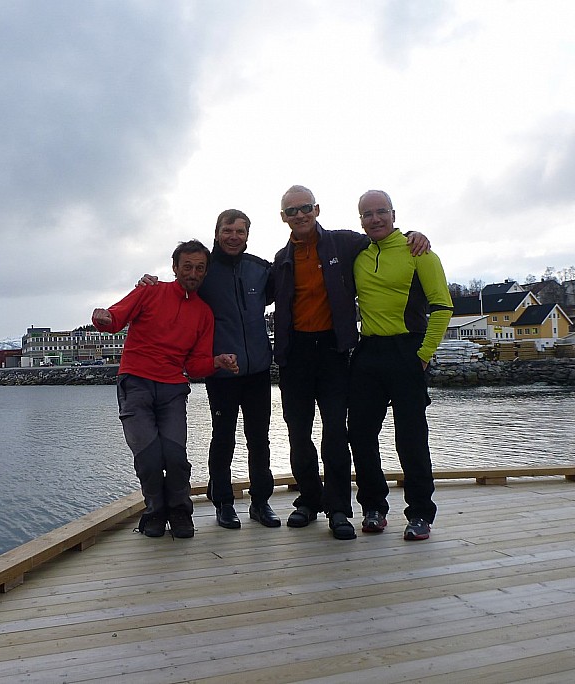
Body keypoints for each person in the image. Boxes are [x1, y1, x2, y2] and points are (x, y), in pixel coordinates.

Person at [271, 185, 428, 540]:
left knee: (336, 434)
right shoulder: (280, 260)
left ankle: (339, 508)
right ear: (284, 217)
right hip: (295, 354)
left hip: (333, 351)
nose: (300, 215)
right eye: (292, 210)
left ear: (317, 209)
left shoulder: (344, 244)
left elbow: (382, 236)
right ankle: (308, 500)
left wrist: (415, 235)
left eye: (305, 207)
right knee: (298, 433)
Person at [138, 210, 280, 531]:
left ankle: (260, 502)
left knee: (259, 439)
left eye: (239, 231)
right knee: (223, 439)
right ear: (217, 233)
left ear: (247, 235)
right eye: (227, 230)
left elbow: (289, 288)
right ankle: (224, 503)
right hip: (221, 372)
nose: (233, 236)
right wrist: (149, 283)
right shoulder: (204, 271)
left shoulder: (260, 269)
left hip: (257, 369)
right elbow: (177, 289)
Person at [92, 239, 239, 539]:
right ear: (174, 268)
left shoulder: (204, 314)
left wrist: (217, 361)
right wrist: (102, 317)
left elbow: (196, 366)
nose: (193, 273)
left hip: (173, 388)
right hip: (136, 384)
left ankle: (180, 513)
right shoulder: (149, 291)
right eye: (187, 267)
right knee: (148, 457)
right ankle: (155, 512)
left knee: (175, 457)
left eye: (199, 268)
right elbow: (116, 316)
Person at [347, 189, 453, 541]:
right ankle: (374, 507)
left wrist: (424, 354)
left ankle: (420, 513)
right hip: (368, 351)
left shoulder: (418, 251)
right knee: (360, 434)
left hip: (408, 350)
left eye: (381, 212)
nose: (375, 219)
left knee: (410, 438)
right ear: (359, 220)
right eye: (367, 214)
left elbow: (442, 306)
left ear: (393, 214)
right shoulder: (358, 254)